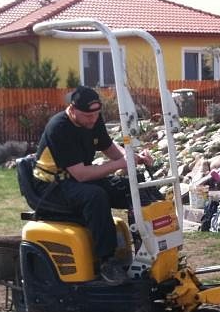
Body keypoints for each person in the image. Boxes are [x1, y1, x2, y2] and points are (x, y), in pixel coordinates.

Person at [32, 86, 153, 285]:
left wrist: (134, 158)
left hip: (74, 179)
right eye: (88, 116)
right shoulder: (59, 128)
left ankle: (149, 250)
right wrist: (119, 164)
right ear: (72, 110)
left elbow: (110, 148)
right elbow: (81, 175)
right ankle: (107, 261)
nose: (93, 120)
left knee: (132, 187)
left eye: (97, 114)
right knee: (95, 196)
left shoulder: (93, 120)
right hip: (51, 186)